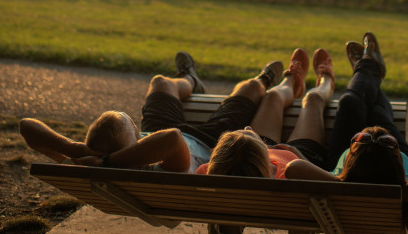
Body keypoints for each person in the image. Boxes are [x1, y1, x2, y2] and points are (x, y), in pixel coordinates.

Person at [285, 32, 408, 234]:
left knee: (351, 103)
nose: (372, 133)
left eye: (362, 139)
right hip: (398, 183)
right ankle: (368, 67)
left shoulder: (342, 181)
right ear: (397, 156)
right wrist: (397, 191)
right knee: (375, 112)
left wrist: (344, 184)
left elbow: (294, 169)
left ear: (351, 153)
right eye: (387, 141)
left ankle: (367, 68)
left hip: (345, 172)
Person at [20, 52, 284, 173]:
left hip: (161, 130)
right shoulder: (159, 169)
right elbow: (172, 140)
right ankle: (263, 79)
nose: (139, 129)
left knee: (160, 83)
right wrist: (110, 164)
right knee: (250, 89)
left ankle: (191, 80)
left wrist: (76, 149)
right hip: (211, 141)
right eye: (136, 129)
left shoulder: (87, 164)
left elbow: (27, 127)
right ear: (133, 145)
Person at [196, 46, 335, 178]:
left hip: (245, 156)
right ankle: (327, 80)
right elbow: (332, 182)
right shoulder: (294, 172)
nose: (247, 127)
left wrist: (250, 145)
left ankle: (291, 81)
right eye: (248, 131)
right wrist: (300, 157)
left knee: (272, 96)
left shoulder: (205, 172)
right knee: (313, 99)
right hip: (303, 157)